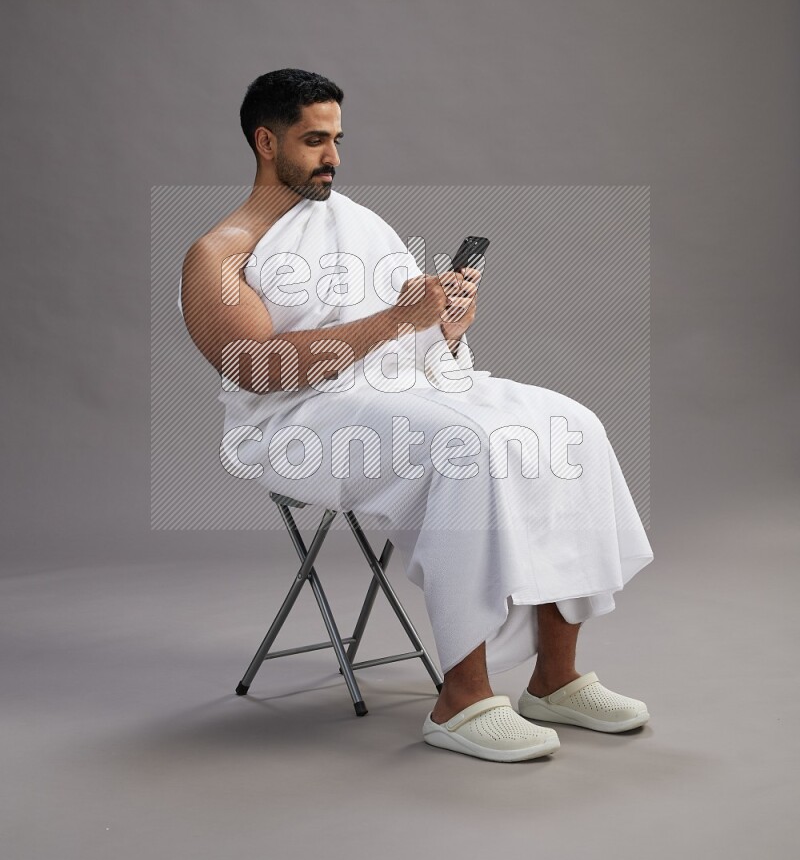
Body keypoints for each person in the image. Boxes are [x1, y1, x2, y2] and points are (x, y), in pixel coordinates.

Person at [178, 68, 654, 764]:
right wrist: (399, 316)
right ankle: (461, 698)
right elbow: (258, 367)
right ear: (265, 141)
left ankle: (555, 679)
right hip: (302, 420)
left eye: (337, 139)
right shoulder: (217, 255)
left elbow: (410, 344)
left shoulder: (359, 224)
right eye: (314, 141)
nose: (333, 157)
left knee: (570, 426)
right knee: (468, 447)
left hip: (396, 391)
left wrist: (446, 327)